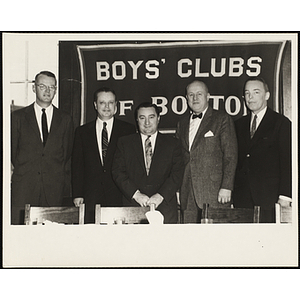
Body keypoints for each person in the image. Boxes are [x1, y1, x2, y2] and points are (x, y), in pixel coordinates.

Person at [11, 71, 74, 224]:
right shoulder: (17, 117)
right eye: (42, 86)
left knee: (50, 237)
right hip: (24, 188)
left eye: (52, 87)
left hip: (54, 190)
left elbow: (67, 155)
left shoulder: (65, 119)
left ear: (56, 90)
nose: (47, 91)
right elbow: (12, 153)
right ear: (34, 88)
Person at [176, 80, 238, 223]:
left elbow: (230, 155)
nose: (195, 98)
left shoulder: (222, 119)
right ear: (186, 98)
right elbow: (179, 159)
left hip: (215, 192)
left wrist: (227, 186)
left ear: (208, 96)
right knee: (190, 239)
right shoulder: (182, 123)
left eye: (199, 94)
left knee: (215, 239)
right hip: (188, 192)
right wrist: (179, 189)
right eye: (191, 95)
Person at [71, 87, 136, 223]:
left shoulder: (128, 130)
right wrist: (77, 194)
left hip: (119, 195)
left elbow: (132, 165)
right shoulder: (82, 132)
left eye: (110, 103)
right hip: (90, 196)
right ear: (95, 105)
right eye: (102, 103)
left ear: (116, 106)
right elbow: (77, 166)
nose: (106, 107)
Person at [112, 102, 184, 224]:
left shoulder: (173, 144)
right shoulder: (125, 143)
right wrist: (137, 195)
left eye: (151, 117)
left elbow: (177, 174)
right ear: (137, 120)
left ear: (158, 118)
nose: (147, 122)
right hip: (133, 207)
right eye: (142, 118)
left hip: (165, 208)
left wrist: (160, 196)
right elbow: (117, 172)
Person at [233, 77, 292, 222]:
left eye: (256, 92)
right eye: (247, 93)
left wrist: (284, 196)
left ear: (267, 95)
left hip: (269, 199)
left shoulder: (281, 123)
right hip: (242, 200)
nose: (250, 97)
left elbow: (287, 161)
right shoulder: (238, 125)